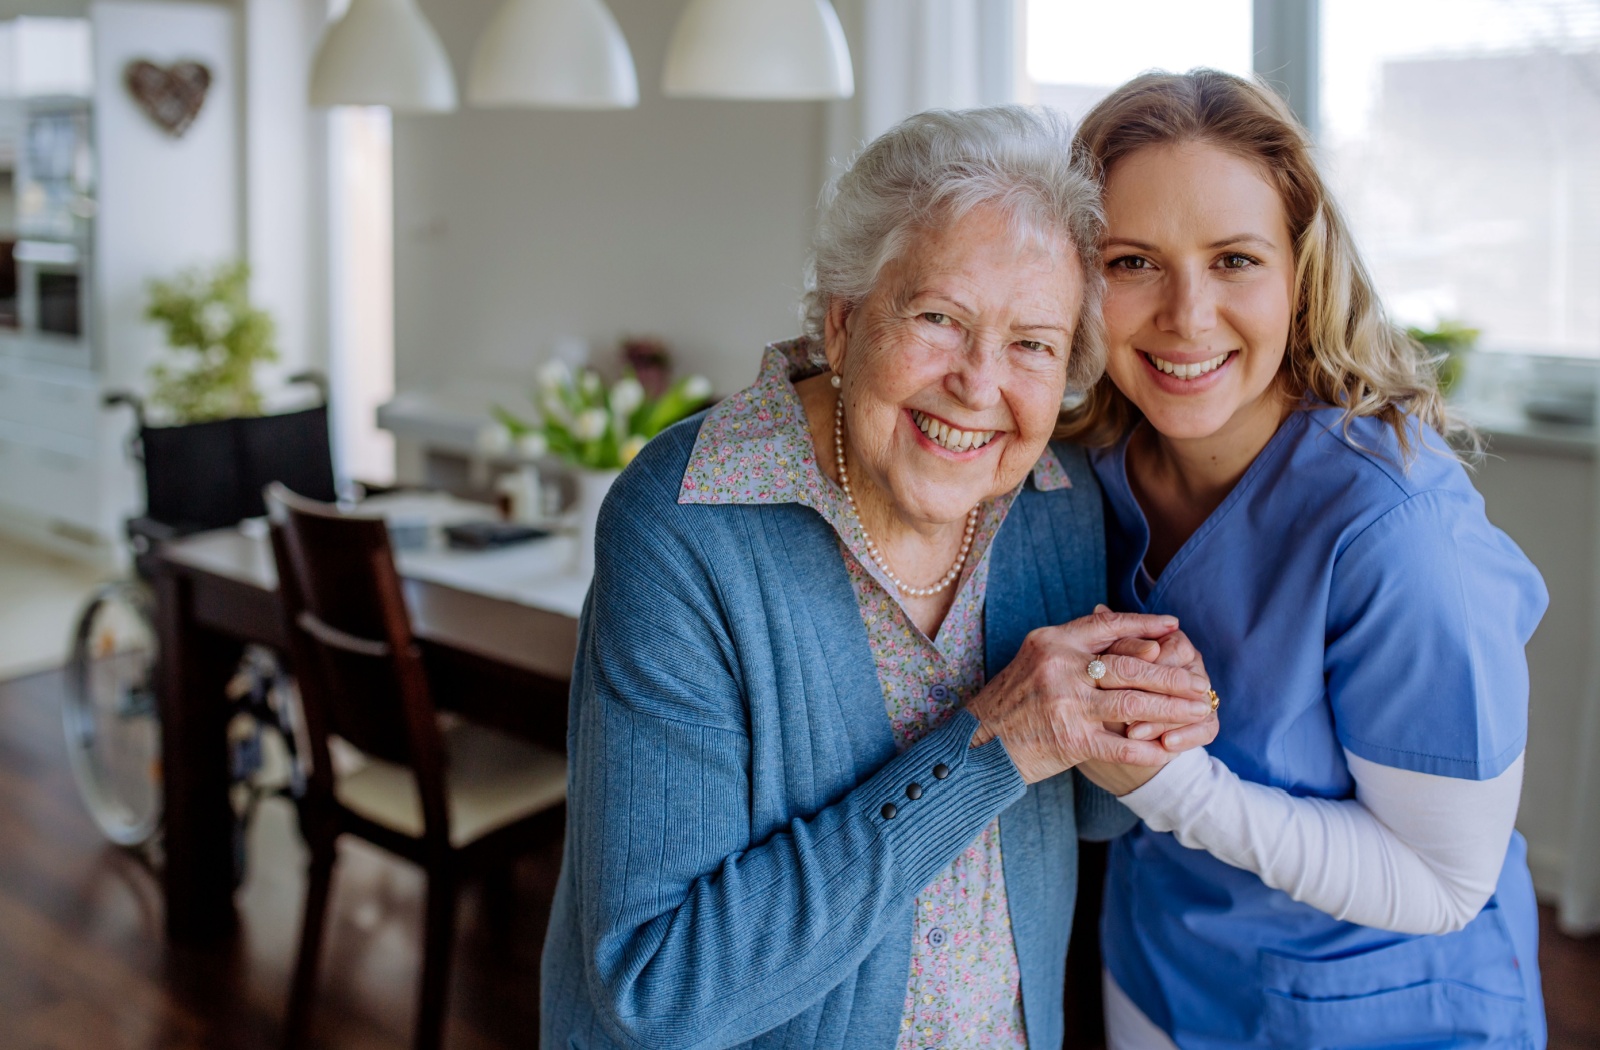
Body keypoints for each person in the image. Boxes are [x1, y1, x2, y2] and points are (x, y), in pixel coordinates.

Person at [540, 106, 1219, 1049]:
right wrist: (995, 742)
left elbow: (1090, 817)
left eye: (1033, 343)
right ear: (846, 318)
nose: (980, 385)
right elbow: (659, 986)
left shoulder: (1056, 498)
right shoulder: (687, 524)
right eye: (940, 318)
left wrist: (1137, 706)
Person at [1062, 70, 1549, 1049]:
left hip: (1380, 1007)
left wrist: (1165, 785)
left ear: (1300, 270)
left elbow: (1444, 882)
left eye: (1234, 259)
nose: (1187, 317)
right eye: (1130, 262)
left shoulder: (1398, 533)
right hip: (1160, 968)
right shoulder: (1085, 473)